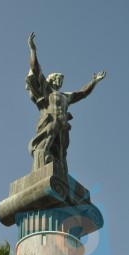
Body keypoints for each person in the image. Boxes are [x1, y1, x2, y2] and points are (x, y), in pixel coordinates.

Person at [26, 32, 106, 173]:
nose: (60, 81)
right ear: (52, 79)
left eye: (62, 80)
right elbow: (36, 69)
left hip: (63, 124)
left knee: (62, 153)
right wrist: (33, 49)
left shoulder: (65, 96)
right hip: (51, 120)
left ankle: (61, 172)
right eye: (58, 78)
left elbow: (82, 93)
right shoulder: (47, 90)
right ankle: (40, 166)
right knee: (45, 144)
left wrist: (94, 81)